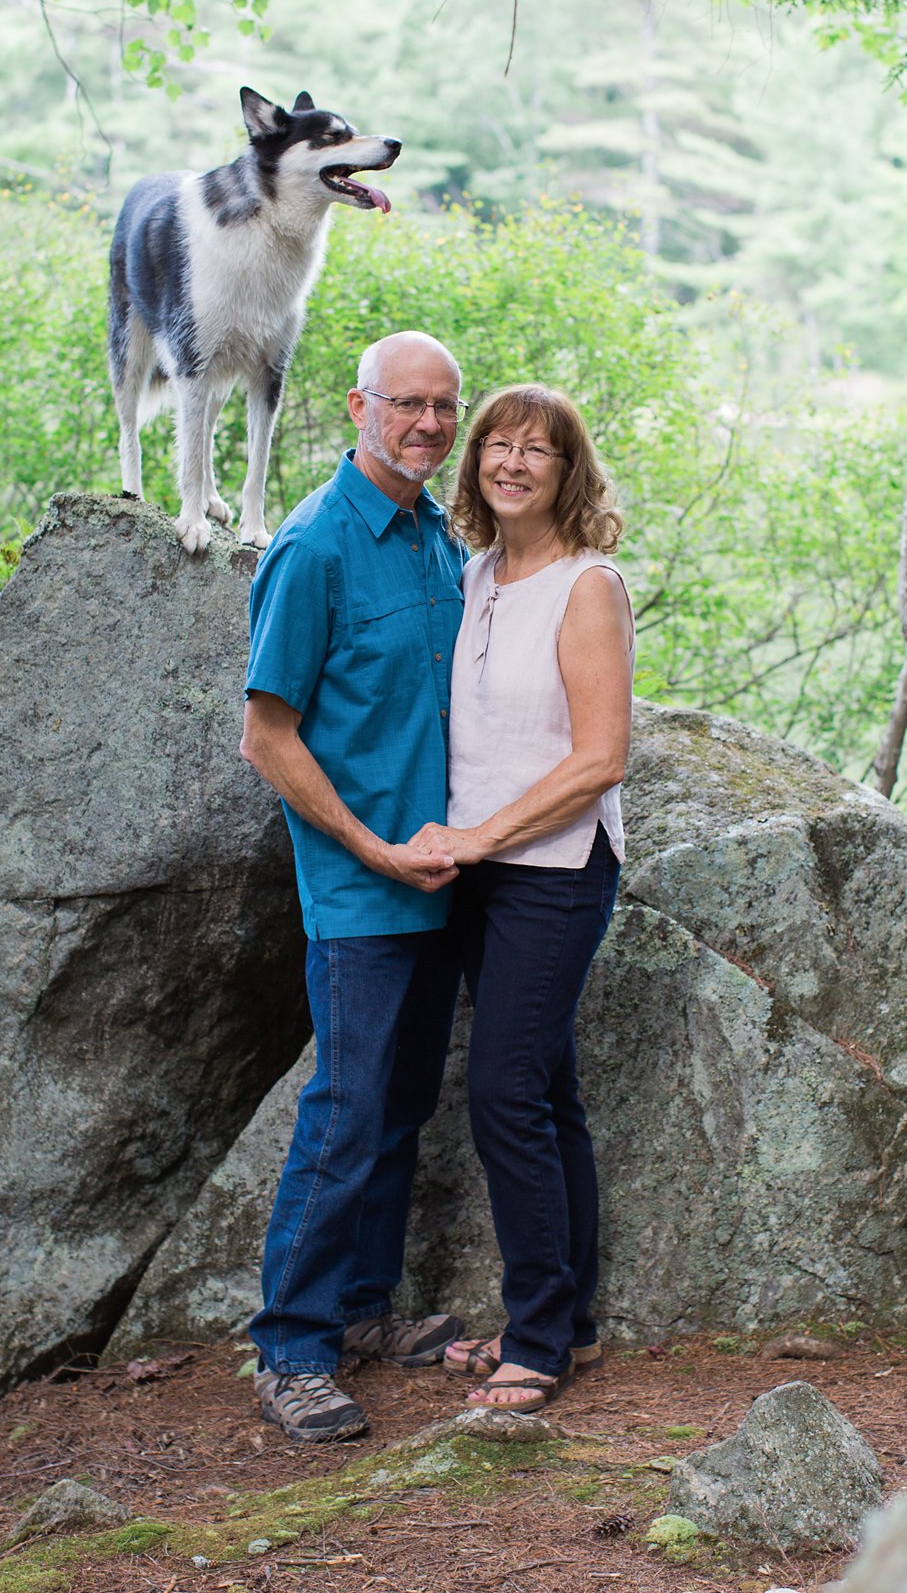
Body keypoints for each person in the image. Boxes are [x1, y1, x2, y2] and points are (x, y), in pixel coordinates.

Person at [238, 329, 470, 1444]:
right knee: (345, 1110)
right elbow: (266, 736)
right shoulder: (315, 546)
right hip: (362, 889)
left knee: (402, 1104)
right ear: (357, 406)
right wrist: (370, 850)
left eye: (442, 407)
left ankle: (366, 1311)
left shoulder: (438, 536)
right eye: (405, 404)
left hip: (444, 881)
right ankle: (290, 1347)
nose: (426, 424)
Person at [408, 383, 634, 1412]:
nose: (510, 461)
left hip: (553, 870)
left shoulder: (589, 585)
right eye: (493, 444)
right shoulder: (476, 574)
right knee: (546, 1094)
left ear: (565, 470)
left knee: (502, 1090)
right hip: (479, 873)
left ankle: (535, 1338)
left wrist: (481, 838)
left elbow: (600, 758)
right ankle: (570, 1323)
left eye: (534, 449)